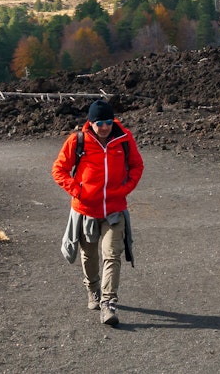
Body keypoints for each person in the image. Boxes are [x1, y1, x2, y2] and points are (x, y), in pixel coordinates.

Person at [54, 100, 143, 326]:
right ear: (90, 122)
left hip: (115, 209)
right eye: (98, 123)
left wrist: (124, 189)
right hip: (86, 210)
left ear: (113, 120)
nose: (103, 127)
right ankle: (93, 289)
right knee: (89, 255)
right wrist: (78, 191)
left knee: (112, 255)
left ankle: (108, 303)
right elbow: (59, 169)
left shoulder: (124, 139)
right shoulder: (78, 141)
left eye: (107, 122)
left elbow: (136, 166)